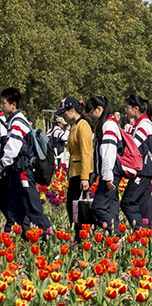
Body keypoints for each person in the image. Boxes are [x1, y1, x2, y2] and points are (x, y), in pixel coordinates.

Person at [0, 87, 51, 234]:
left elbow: (12, 148)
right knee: (13, 210)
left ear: (13, 104)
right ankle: (13, 240)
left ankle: (48, 238)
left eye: (4, 103)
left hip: (23, 173)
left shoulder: (17, 123)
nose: (2, 106)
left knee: (33, 208)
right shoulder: (14, 121)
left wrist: (2, 165)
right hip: (17, 173)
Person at [85, 96, 124, 231]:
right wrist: (95, 173)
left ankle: (117, 234)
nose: (91, 116)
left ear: (99, 108)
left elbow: (108, 153)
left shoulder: (108, 125)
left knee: (99, 207)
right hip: (110, 172)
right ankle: (116, 239)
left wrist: (107, 177)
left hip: (111, 172)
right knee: (112, 207)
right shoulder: (109, 123)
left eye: (91, 112)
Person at [58, 97, 94, 239]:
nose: (63, 116)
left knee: (77, 208)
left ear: (72, 110)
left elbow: (86, 153)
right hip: (75, 172)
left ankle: (82, 236)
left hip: (80, 174)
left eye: (64, 112)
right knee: (73, 207)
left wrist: (85, 177)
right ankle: (79, 236)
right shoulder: (75, 125)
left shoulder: (83, 125)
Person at [121, 94, 152, 229]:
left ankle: (141, 231)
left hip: (142, 169)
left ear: (136, 108)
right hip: (146, 170)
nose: (125, 110)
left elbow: (133, 147)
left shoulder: (143, 125)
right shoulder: (143, 123)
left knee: (127, 202)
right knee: (145, 206)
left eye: (127, 107)